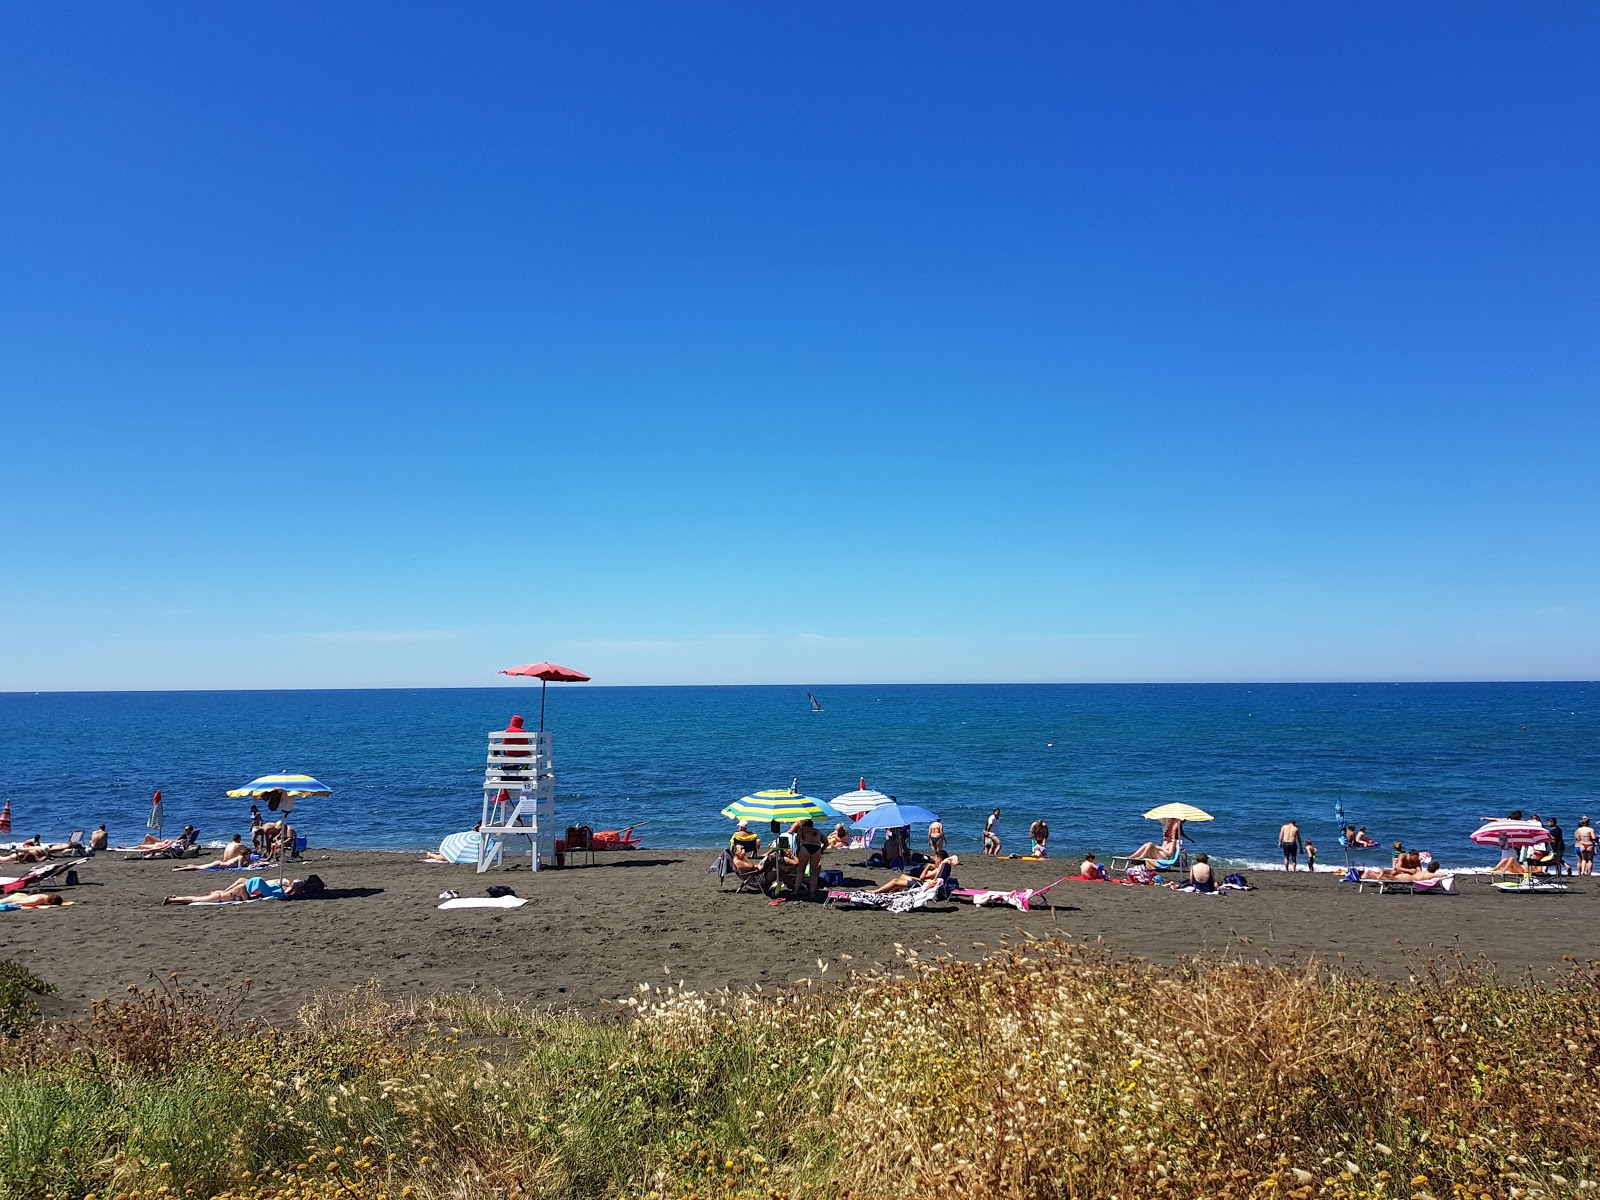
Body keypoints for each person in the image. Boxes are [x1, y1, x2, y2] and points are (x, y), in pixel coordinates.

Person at [164, 874, 325, 905]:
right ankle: (172, 899)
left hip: (225, 893)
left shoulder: (286, 886)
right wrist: (248, 900)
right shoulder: (243, 889)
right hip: (223, 896)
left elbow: (241, 883)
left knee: (198, 898)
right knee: (196, 899)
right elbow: (242, 888)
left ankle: (174, 897)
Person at [870, 851, 956, 894]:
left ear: (940, 859)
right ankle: (890, 893)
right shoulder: (945, 867)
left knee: (895, 881)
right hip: (930, 882)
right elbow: (955, 858)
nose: (934, 859)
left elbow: (922, 878)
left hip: (924, 885)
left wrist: (928, 866)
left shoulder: (937, 870)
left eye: (936, 858)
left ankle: (875, 892)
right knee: (903, 876)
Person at [791, 819, 826, 898]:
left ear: (803, 825)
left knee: (801, 870)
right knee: (813, 872)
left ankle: (796, 891)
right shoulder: (818, 831)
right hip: (817, 848)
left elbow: (798, 840)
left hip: (805, 847)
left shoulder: (802, 829)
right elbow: (826, 842)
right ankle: (812, 893)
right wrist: (821, 850)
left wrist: (798, 849)